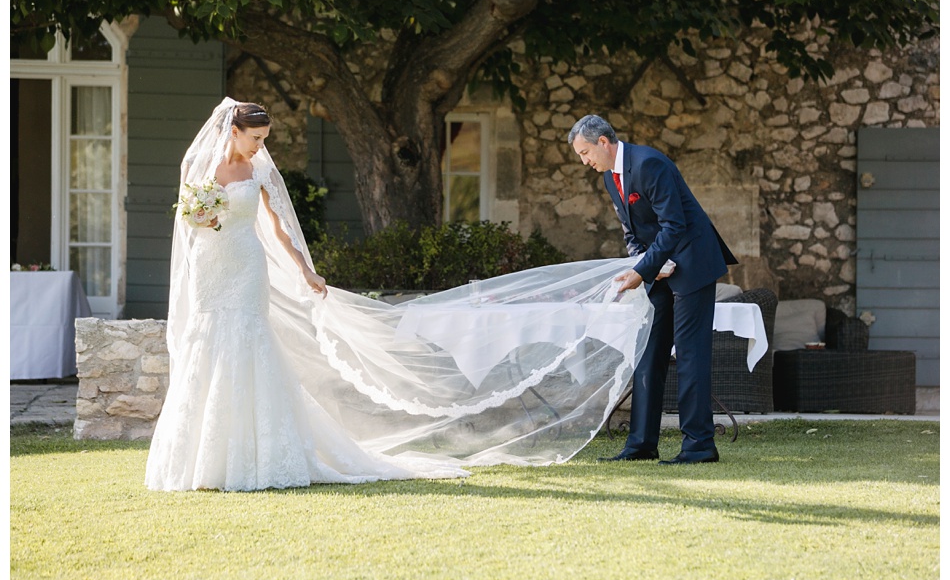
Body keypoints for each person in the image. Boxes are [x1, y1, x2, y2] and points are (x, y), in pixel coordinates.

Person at [146, 98, 655, 492]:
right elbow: (190, 227)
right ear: (232, 132)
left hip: (249, 269)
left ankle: (257, 457)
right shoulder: (203, 174)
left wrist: (306, 270)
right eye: (254, 138)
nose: (260, 147)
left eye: (263, 139)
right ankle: (206, 458)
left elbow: (278, 228)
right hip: (215, 270)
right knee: (209, 348)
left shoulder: (258, 172)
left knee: (251, 346)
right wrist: (203, 221)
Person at [568, 114, 737, 464]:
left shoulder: (649, 164)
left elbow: (674, 224)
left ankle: (699, 446)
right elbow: (632, 233)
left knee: (690, 357)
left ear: (603, 141)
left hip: (693, 263)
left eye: (585, 152)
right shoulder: (609, 179)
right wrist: (646, 264)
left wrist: (642, 270)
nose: (585, 162)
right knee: (648, 353)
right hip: (659, 266)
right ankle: (641, 445)